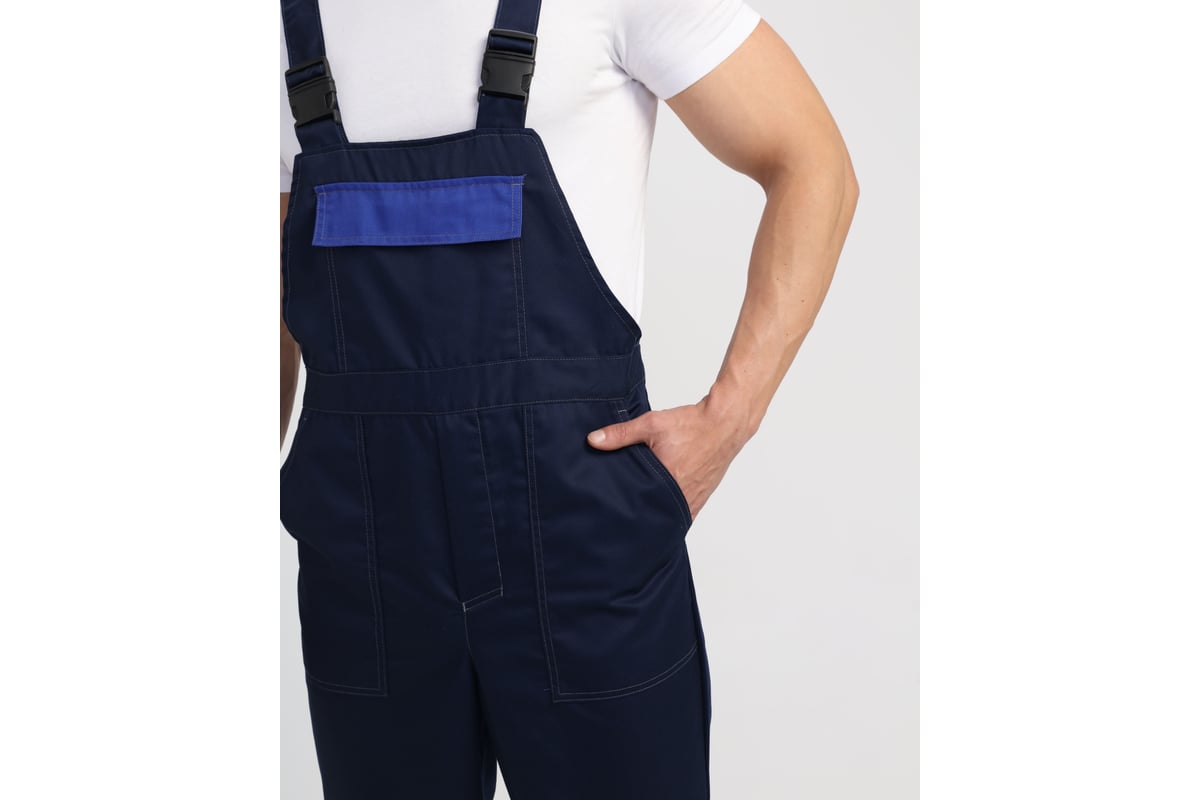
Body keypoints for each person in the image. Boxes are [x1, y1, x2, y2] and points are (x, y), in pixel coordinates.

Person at [279, 0, 857, 797]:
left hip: (580, 539)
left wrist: (727, 421)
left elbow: (813, 162)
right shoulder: (275, 26)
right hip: (366, 563)